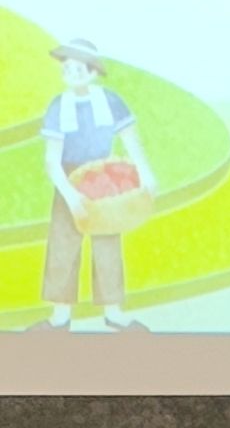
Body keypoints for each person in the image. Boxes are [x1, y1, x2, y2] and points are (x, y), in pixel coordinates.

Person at [35, 39, 156, 331]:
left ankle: (113, 311)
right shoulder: (58, 106)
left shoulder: (110, 101)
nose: (72, 74)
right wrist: (70, 195)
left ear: (92, 71)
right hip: (68, 178)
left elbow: (131, 141)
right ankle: (60, 315)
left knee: (107, 243)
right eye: (67, 68)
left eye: (78, 69)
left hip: (105, 177)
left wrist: (146, 175)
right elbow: (51, 160)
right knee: (63, 243)